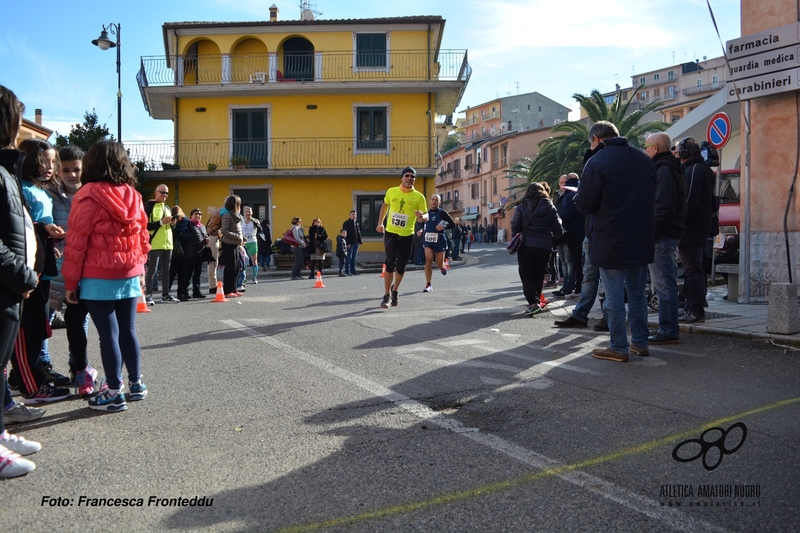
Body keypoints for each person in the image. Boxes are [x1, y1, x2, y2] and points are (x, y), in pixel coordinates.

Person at [62, 140, 151, 411]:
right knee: (129, 331)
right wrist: (141, 268)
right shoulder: (133, 195)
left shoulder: (87, 195)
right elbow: (143, 237)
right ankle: (136, 384)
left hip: (97, 275)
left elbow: (77, 242)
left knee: (108, 335)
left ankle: (114, 391)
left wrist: (70, 282)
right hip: (128, 273)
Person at [574, 121, 656, 363]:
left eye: (591, 143)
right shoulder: (643, 159)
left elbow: (586, 202)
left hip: (610, 237)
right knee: (638, 293)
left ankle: (618, 346)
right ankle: (640, 343)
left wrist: (577, 197)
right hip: (640, 236)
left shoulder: (598, 161)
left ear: (597, 139)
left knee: (614, 296)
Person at [0, 85, 43, 477]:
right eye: (17, 115)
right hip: (7, 281)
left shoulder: (5, 168)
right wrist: (22, 274)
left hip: (12, 284)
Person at [13, 139, 70, 402]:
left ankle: (32, 374)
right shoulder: (19, 188)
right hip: (28, 268)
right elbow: (19, 229)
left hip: (43, 264)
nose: (50, 167)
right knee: (29, 329)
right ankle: (30, 382)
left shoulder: (40, 190)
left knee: (39, 325)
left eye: (52, 161)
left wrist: (50, 241)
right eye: (44, 161)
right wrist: (43, 229)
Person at [643, 132, 686, 343]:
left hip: (662, 235)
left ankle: (668, 329)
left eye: (646, 146)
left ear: (655, 149)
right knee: (664, 282)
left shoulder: (665, 170)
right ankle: (667, 327)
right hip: (666, 233)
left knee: (663, 284)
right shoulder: (667, 168)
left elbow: (663, 207)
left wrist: (651, 234)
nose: (644, 150)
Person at [376, 166, 428, 308]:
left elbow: (426, 215)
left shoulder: (418, 196)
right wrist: (380, 223)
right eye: (407, 175)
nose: (410, 178)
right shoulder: (392, 191)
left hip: (407, 235)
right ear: (402, 177)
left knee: (401, 267)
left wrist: (422, 216)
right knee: (390, 261)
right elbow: (385, 206)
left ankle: (395, 290)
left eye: (412, 176)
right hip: (391, 232)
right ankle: (386, 295)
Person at [677, 137, 715, 324]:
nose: (678, 155)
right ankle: (691, 306)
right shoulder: (704, 169)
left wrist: (679, 221)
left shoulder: (693, 171)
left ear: (686, 153)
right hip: (701, 224)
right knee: (694, 268)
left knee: (692, 269)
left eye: (679, 152)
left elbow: (689, 201)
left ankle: (695, 310)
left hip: (692, 226)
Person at [512, 183, 564, 316]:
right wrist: (554, 239)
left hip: (527, 245)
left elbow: (515, 225)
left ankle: (533, 302)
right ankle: (535, 301)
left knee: (526, 274)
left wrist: (517, 236)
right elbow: (558, 227)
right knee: (539, 274)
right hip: (544, 245)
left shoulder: (522, 206)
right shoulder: (549, 206)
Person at [143, 183, 178, 304]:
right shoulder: (149, 206)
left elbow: (167, 226)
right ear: (155, 192)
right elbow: (145, 226)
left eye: (167, 193)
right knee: (152, 271)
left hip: (168, 244)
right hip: (155, 244)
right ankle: (148, 296)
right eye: (162, 192)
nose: (164, 195)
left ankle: (166, 295)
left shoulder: (167, 208)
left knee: (166, 271)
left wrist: (172, 223)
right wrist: (162, 223)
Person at [557, 173, 584, 299]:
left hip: (570, 232)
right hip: (581, 231)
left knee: (571, 261)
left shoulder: (569, 196)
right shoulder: (581, 192)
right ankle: (574, 287)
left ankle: (573, 287)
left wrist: (557, 222)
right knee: (577, 262)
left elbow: (565, 214)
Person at [422, 194, 456, 293]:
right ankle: (428, 284)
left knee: (438, 264)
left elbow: (452, 224)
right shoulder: (426, 213)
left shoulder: (442, 213)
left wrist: (443, 227)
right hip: (428, 240)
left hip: (440, 240)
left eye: (436, 200)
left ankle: (442, 267)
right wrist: (420, 230)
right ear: (429, 201)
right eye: (432, 199)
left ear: (439, 202)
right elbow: (421, 223)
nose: (434, 201)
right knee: (428, 260)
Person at [219, 195, 244, 297]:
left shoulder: (236, 215)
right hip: (228, 244)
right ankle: (228, 290)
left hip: (235, 244)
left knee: (236, 267)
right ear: (234, 204)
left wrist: (242, 238)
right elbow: (223, 230)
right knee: (230, 268)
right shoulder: (227, 215)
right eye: (238, 203)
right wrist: (237, 236)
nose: (240, 205)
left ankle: (233, 289)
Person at [168, 206, 193, 301]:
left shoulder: (187, 223)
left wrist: (183, 236)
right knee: (172, 273)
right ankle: (166, 292)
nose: (178, 218)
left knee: (183, 274)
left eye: (179, 216)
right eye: (176, 216)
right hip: (174, 252)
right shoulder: (171, 224)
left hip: (185, 251)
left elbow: (192, 235)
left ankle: (181, 292)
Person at [186, 208, 208, 299]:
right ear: (191, 216)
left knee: (197, 273)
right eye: (195, 214)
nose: (198, 216)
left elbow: (205, 235)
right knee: (189, 273)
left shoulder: (202, 226)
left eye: (200, 214)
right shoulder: (188, 224)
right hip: (191, 253)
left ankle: (196, 291)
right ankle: (185, 291)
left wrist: (206, 239)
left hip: (200, 253)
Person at [241, 207, 262, 284]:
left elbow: (260, 230)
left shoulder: (255, 221)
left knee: (254, 260)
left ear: (251, 212)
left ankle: (254, 277)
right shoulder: (241, 221)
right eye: (246, 212)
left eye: (249, 212)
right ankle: (243, 278)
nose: (248, 213)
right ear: (244, 212)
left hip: (253, 242)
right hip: (244, 243)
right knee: (244, 261)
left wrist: (257, 224)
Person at [342, 210, 362, 276]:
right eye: (353, 214)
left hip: (356, 243)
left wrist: (359, 241)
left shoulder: (356, 223)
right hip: (350, 243)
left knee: (354, 258)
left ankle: (353, 270)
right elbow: (345, 234)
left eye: (355, 214)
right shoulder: (346, 223)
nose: (354, 216)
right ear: (350, 215)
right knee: (349, 257)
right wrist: (347, 243)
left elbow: (358, 232)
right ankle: (347, 271)